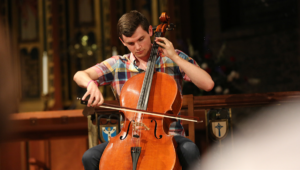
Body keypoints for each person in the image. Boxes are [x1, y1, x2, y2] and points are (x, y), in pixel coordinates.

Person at [73, 10, 214, 170]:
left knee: (190, 150)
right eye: (131, 43)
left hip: (169, 137)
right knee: (89, 157)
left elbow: (208, 84)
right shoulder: (118, 64)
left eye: (141, 39)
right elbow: (79, 75)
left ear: (150, 31)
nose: (138, 47)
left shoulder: (172, 58)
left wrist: (175, 57)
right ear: (122, 41)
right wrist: (91, 84)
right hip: (129, 138)